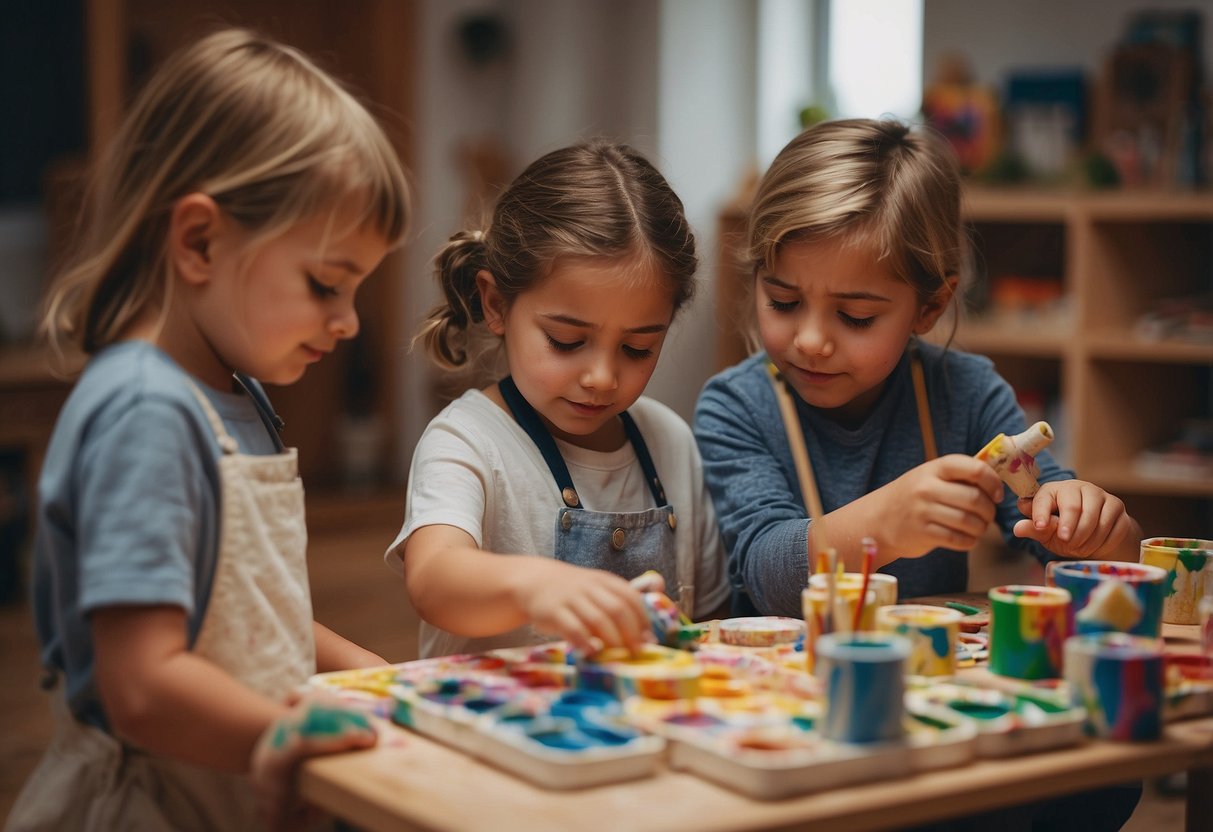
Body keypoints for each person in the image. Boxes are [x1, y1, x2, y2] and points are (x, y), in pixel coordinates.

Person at [8, 29, 410, 832]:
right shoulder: (147, 414)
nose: (349, 321)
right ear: (199, 241)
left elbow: (249, 612)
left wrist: (380, 680)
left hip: (226, 780)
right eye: (326, 284)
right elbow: (144, 686)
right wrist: (286, 731)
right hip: (151, 801)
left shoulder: (238, 393)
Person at [694, 118, 1142, 830]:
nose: (809, 337)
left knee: (1106, 781)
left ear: (929, 307)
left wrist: (1093, 527)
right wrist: (886, 521)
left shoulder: (965, 393)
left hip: (929, 710)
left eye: (855, 314)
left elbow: (1058, 535)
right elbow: (765, 572)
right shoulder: (736, 405)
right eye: (782, 301)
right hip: (798, 723)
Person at [389, 141, 729, 659]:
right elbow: (434, 580)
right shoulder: (467, 442)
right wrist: (533, 587)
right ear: (496, 303)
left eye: (638, 348)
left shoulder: (670, 441)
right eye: (567, 342)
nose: (601, 377)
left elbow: (706, 626)